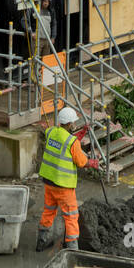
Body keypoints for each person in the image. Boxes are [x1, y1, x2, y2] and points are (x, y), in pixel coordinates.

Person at [36, 105, 98, 253]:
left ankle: (41, 242)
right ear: (69, 124)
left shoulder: (51, 132)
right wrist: (92, 163)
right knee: (71, 216)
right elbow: (82, 162)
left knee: (49, 211)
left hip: (48, 182)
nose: (75, 125)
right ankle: (72, 250)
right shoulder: (72, 143)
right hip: (63, 186)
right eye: (74, 123)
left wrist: (81, 133)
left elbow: (65, 142)